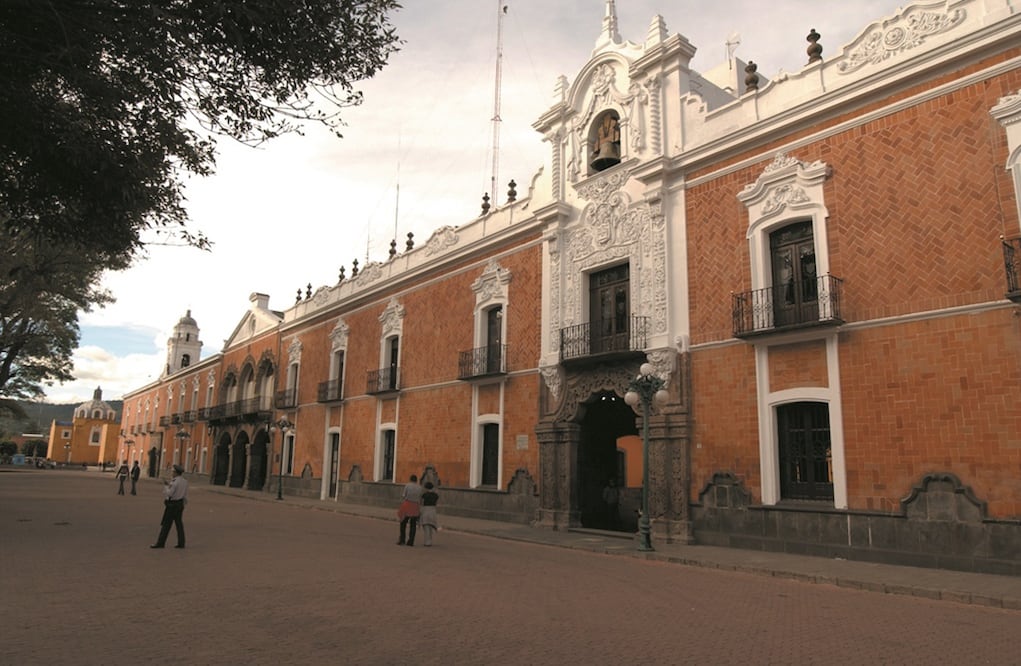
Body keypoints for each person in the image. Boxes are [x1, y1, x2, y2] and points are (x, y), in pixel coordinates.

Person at [151, 464, 188, 549]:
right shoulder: (184, 481)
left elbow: (169, 493)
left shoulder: (174, 482)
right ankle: (181, 543)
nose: (172, 473)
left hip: (172, 505)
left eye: (173, 472)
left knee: (166, 524)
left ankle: (160, 543)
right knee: (179, 524)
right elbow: (184, 495)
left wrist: (166, 486)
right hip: (179, 504)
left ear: (176, 473)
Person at [396, 474, 423, 547]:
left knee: (403, 523)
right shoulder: (420, 487)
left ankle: (402, 540)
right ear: (416, 480)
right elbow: (421, 498)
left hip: (407, 504)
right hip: (415, 506)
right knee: (413, 524)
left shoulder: (407, 485)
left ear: (410, 479)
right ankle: (411, 541)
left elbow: (404, 495)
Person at [419, 482, 440, 547]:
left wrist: (420, 511)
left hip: (426, 510)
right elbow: (436, 503)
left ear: (426, 488)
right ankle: (429, 541)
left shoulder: (424, 495)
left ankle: (427, 542)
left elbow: (421, 503)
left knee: (426, 526)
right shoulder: (436, 495)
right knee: (430, 526)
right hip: (433, 510)